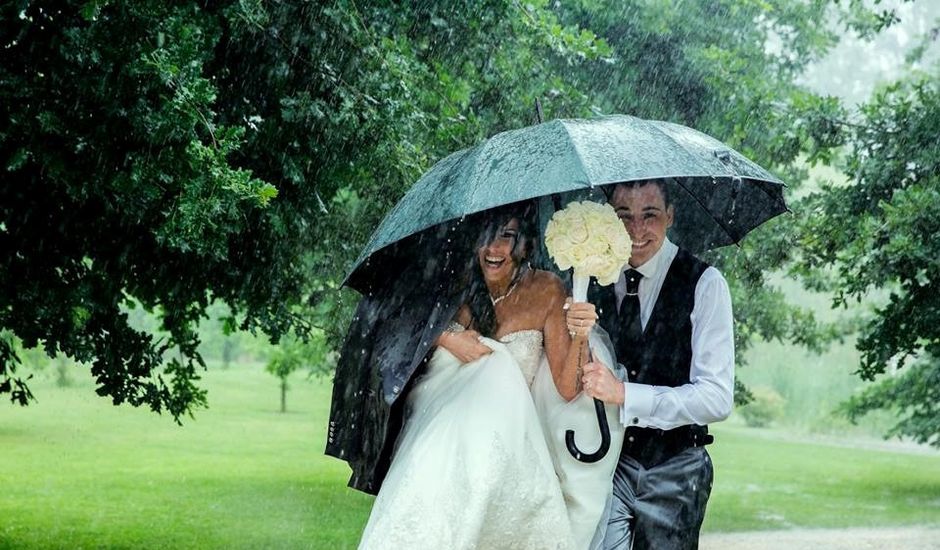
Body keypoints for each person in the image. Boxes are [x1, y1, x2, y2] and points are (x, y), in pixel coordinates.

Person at [358, 203, 586, 550]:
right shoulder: (451, 282)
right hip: (441, 431)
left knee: (497, 370)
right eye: (486, 237)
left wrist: (581, 333)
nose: (494, 249)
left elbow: (569, 388)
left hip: (508, 444)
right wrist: (446, 336)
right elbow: (391, 322)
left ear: (525, 244)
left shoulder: (547, 291)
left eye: (507, 237)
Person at [566, 180, 735, 549]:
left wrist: (625, 394)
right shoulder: (585, 283)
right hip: (606, 464)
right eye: (624, 215)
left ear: (670, 216)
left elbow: (717, 398)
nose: (636, 230)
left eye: (650, 215)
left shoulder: (705, 284)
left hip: (678, 466)